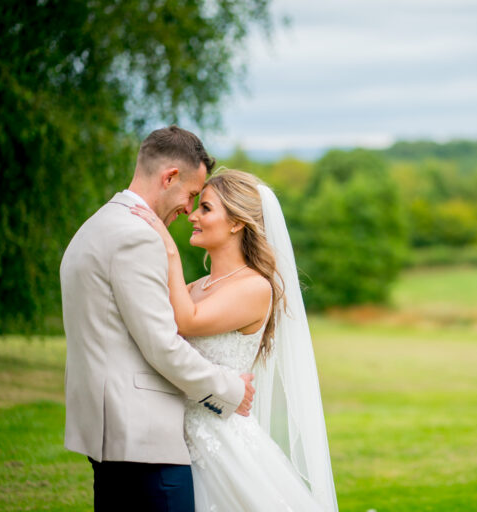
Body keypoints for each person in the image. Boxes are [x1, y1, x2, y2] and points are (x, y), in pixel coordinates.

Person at [60, 126, 256, 512]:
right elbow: (162, 346)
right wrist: (231, 389)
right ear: (169, 177)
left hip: (108, 432)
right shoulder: (137, 236)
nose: (188, 210)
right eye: (191, 195)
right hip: (144, 438)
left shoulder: (97, 224)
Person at [130, 169, 338, 511]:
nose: (193, 216)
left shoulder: (254, 287)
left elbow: (186, 321)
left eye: (206, 209)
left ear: (236, 223)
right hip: (175, 443)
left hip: (221, 443)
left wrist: (168, 249)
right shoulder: (197, 287)